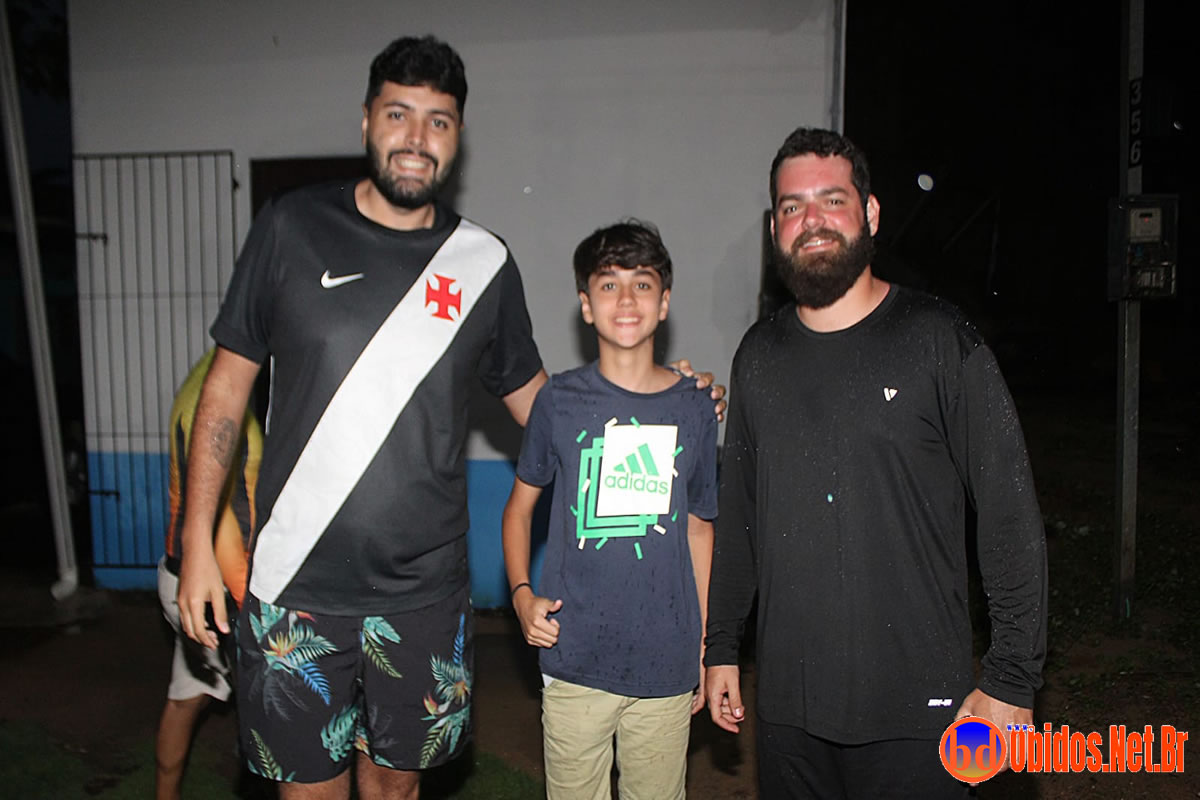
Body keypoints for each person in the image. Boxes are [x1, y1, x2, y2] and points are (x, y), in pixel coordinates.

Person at [176, 36, 721, 800]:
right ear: (366, 120)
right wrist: (196, 541)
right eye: (398, 114)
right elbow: (226, 391)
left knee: (396, 790)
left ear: (457, 136)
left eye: (437, 121)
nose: (416, 137)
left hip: (426, 595)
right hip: (295, 584)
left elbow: (554, 412)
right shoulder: (289, 227)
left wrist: (664, 397)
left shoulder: (482, 264)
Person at [703, 127, 1047, 799]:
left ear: (871, 213)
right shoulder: (758, 358)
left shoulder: (938, 339)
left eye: (832, 200)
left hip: (921, 713)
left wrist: (1012, 675)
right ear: (775, 228)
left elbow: (1008, 510)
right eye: (793, 206)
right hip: (789, 713)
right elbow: (739, 516)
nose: (812, 220)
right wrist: (721, 646)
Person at [503, 220, 718, 800]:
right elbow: (518, 510)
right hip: (574, 657)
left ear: (664, 303)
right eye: (608, 284)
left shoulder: (696, 408)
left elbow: (700, 530)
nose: (626, 299)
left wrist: (705, 647)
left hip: (666, 663)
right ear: (586, 305)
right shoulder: (558, 401)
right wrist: (521, 594)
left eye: (642, 284)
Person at [155, 348, 261, 800]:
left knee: (187, 697)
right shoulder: (227, 396)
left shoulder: (209, 374)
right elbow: (224, 521)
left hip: (182, 578)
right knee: (273, 722)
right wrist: (251, 614)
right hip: (219, 592)